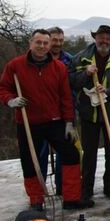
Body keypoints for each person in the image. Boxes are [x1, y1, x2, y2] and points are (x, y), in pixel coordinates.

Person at [0, 29, 92, 210]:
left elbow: (65, 97)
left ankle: (71, 198)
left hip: (54, 121)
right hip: (28, 122)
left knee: (71, 154)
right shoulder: (15, 66)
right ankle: (36, 199)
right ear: (31, 43)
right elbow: (2, 88)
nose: (42, 46)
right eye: (38, 42)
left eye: (45, 43)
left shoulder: (59, 67)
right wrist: (10, 100)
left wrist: (69, 122)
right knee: (29, 161)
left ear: (49, 46)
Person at [69, 25, 110, 202]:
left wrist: (108, 91)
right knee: (89, 152)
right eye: (101, 37)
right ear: (95, 38)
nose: (104, 41)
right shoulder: (81, 58)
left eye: (107, 38)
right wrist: (86, 75)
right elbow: (71, 81)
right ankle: (86, 189)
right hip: (89, 112)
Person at [38, 26, 73, 195]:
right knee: (40, 154)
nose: (57, 43)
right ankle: (40, 192)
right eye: (54, 40)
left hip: (64, 114)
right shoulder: (37, 60)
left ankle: (63, 188)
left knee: (65, 153)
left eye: (60, 40)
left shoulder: (69, 60)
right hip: (41, 115)